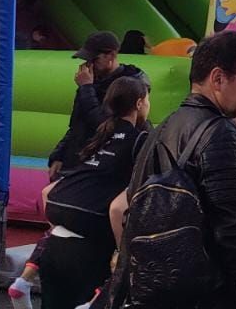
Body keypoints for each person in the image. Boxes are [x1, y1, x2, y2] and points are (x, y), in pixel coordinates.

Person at [121, 31, 236, 309]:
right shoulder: (222, 134)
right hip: (207, 293)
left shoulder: (162, 127)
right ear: (218, 79)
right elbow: (235, 231)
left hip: (154, 288)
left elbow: (130, 205)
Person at [37, 76, 151, 309]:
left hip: (54, 243)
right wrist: (124, 259)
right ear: (139, 103)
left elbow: (48, 191)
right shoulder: (140, 140)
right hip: (88, 252)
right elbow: (118, 208)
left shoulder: (101, 135)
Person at [48, 31, 147, 178]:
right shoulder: (91, 83)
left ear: (111, 56)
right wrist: (59, 156)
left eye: (94, 59)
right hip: (78, 159)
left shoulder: (127, 86)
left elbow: (104, 124)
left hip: (102, 164)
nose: (89, 65)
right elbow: (77, 125)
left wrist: (86, 88)